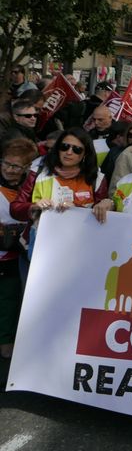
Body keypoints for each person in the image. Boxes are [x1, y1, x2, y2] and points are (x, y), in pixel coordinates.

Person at [12, 129, 108, 234]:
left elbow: (101, 217)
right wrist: (34, 206)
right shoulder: (38, 172)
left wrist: (76, 209)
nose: (69, 152)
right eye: (64, 147)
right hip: (40, 238)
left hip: (80, 239)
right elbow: (15, 209)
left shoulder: (96, 178)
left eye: (77, 149)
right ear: (58, 149)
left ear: (85, 154)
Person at [0, 139, 38, 358]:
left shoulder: (31, 189)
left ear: (26, 169)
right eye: (5, 163)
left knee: (11, 301)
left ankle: (7, 345)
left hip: (18, 256)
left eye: (15, 166)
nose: (8, 169)